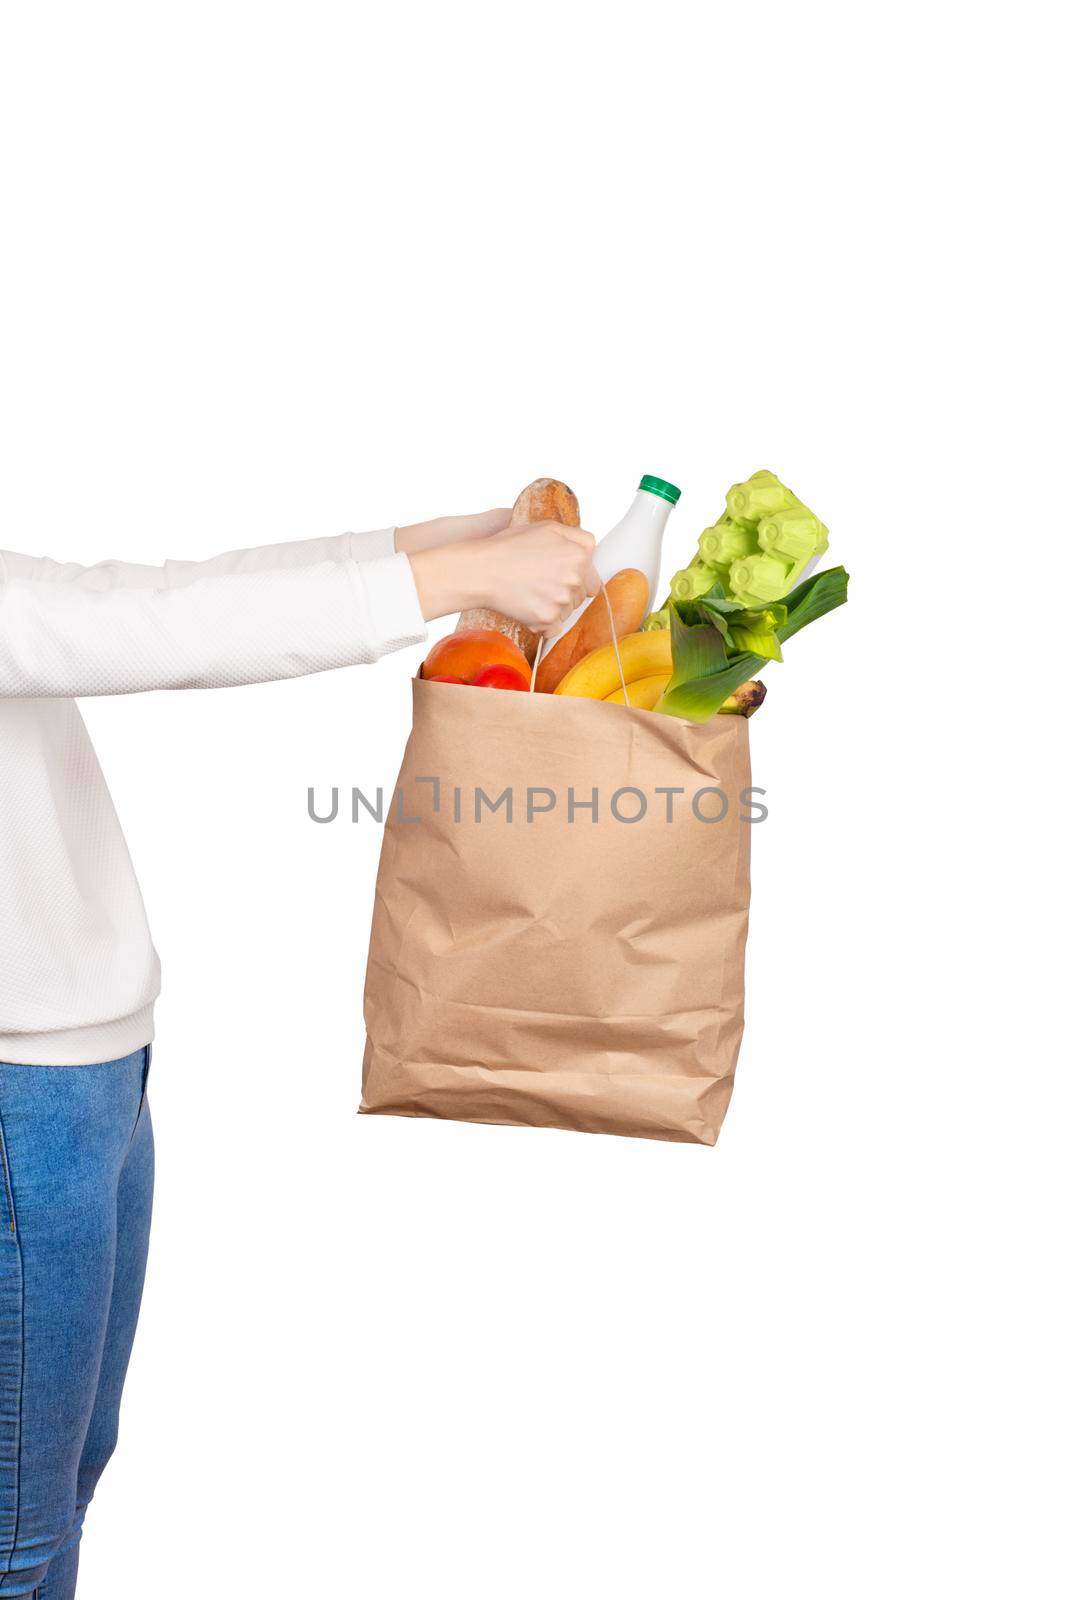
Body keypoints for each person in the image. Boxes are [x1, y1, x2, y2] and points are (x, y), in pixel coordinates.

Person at [0, 507, 596, 1597]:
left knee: (64, 1483)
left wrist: (430, 547)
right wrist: (447, 576)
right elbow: (134, 628)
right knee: (13, 1532)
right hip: (19, 1099)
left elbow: (128, 586)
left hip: (83, 1069)